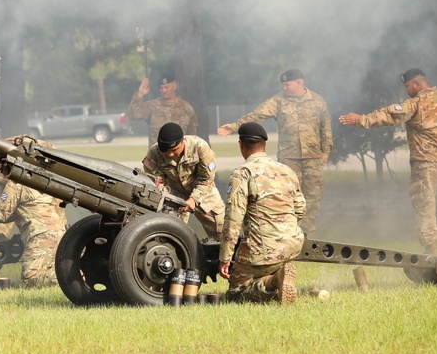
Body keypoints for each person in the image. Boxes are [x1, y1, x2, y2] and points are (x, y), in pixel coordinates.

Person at [339, 68, 437, 255]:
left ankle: (432, 254)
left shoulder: (416, 104)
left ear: (417, 84)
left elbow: (389, 115)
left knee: (425, 204)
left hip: (426, 163)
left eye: (407, 86)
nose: (406, 90)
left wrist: (360, 119)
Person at [217, 69, 332, 234]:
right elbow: (257, 115)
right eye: (283, 85)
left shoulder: (318, 101)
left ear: (299, 83)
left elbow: (325, 128)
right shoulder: (278, 101)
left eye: (287, 84)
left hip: (313, 157)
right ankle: (290, 231)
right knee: (287, 195)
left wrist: (326, 151)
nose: (284, 88)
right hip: (288, 159)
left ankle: (306, 233)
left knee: (313, 196)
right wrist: (234, 127)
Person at [219, 122, 305, 305]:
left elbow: (233, 221)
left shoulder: (242, 174)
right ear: (265, 145)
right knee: (268, 262)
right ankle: (277, 276)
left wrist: (225, 258)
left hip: (260, 251)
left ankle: (272, 281)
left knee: (236, 294)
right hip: (292, 245)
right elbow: (300, 209)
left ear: (241, 144)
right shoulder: (286, 170)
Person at [0, 160, 68, 288]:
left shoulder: (14, 185)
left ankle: (67, 280)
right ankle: (70, 276)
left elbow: (2, 215)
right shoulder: (36, 181)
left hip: (40, 237)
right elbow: (16, 214)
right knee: (49, 270)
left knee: (30, 281)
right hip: (58, 234)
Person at [141, 123, 225, 241]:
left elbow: (206, 179)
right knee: (170, 236)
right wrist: (171, 199)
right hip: (173, 195)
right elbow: (157, 182)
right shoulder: (154, 153)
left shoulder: (200, 147)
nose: (170, 154)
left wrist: (194, 199)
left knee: (223, 233)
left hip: (204, 193)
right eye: (165, 151)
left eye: (174, 150)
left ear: (182, 141)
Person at [127, 72, 198, 145]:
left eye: (166, 87)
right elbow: (133, 114)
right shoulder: (153, 106)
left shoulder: (186, 108)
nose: (164, 90)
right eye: (161, 88)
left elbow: (192, 137)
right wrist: (140, 94)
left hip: (177, 154)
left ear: (175, 86)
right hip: (157, 154)